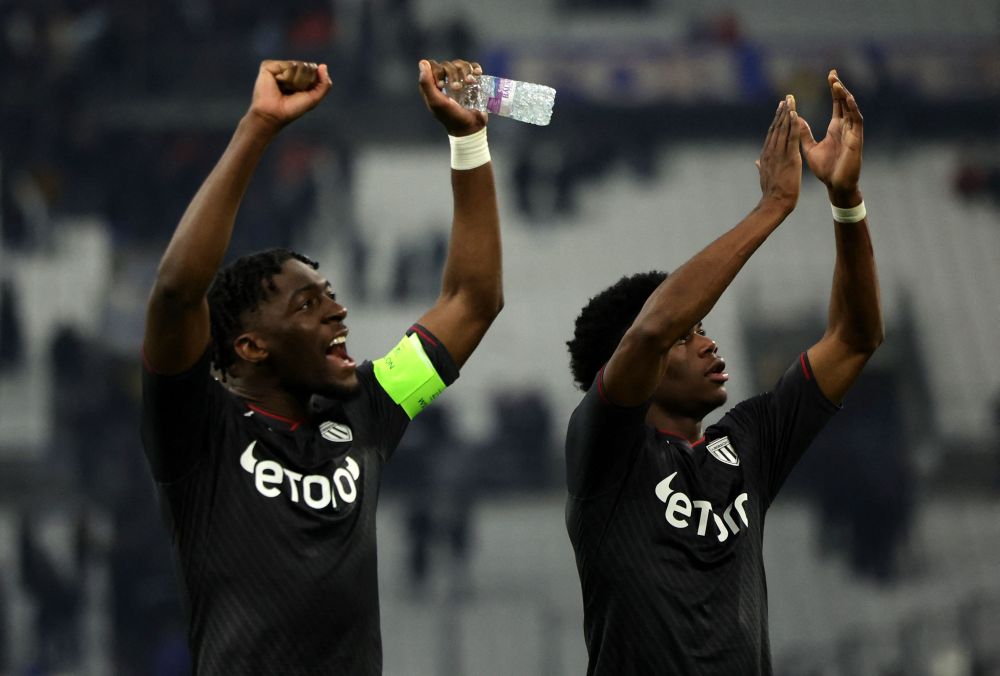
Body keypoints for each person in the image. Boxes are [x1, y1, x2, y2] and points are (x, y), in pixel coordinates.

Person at [140, 58, 502, 674]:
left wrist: (469, 140)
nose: (338, 312)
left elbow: (472, 301)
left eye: (331, 294)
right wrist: (258, 125)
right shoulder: (200, 431)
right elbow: (177, 293)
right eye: (309, 304)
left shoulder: (367, 408)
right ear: (251, 346)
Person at [564, 70, 882, 675]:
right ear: (638, 365)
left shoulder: (749, 442)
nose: (708, 344)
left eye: (704, 330)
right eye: (690, 336)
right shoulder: (603, 451)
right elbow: (653, 328)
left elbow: (855, 338)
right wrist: (772, 207)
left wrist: (845, 200)